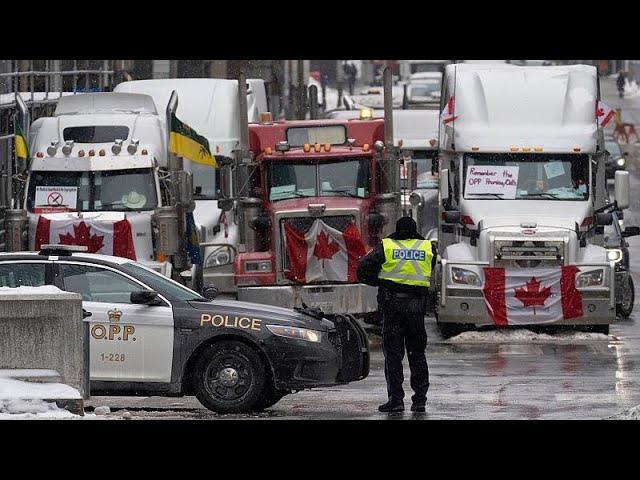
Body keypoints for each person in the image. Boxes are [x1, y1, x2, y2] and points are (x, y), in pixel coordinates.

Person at [357, 217, 436, 413]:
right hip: (416, 308)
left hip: (392, 307)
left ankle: (396, 400)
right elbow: (427, 271)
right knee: (417, 354)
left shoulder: (387, 246)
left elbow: (362, 269)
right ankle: (419, 401)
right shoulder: (427, 247)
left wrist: (382, 282)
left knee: (393, 356)